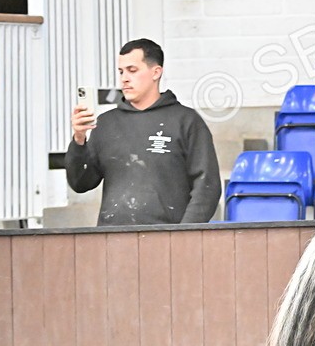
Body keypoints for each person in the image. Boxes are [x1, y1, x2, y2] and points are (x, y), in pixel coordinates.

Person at [66, 38, 222, 226]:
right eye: (121, 71)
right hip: (112, 237)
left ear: (156, 72)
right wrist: (79, 139)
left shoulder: (186, 121)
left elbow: (207, 187)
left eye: (132, 70)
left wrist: (182, 234)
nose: (124, 78)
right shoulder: (106, 123)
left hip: (167, 236)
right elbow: (80, 183)